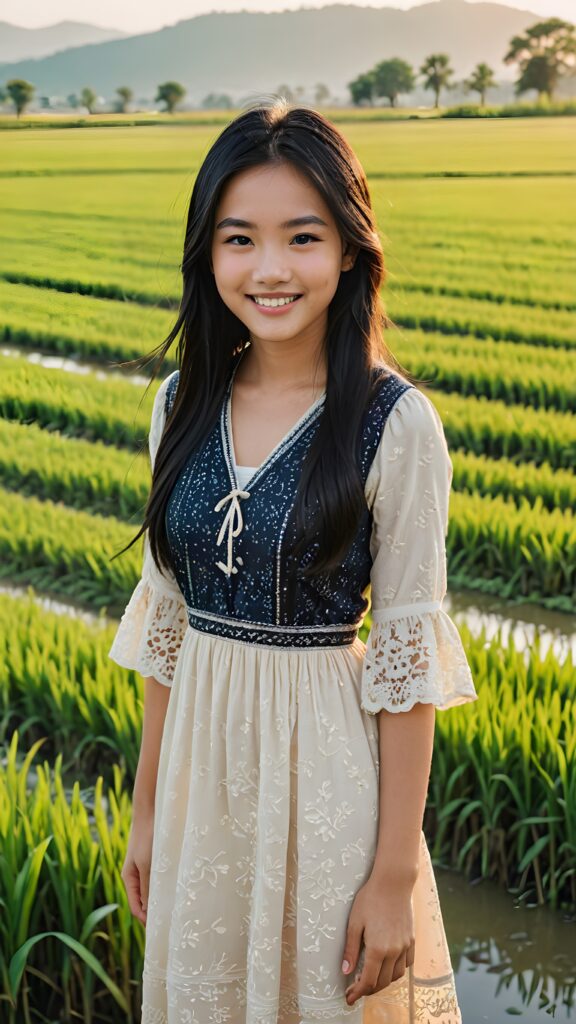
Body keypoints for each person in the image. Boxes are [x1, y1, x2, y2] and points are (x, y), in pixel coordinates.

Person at [108, 98, 478, 1024]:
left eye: (302, 237)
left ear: (350, 249)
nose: (270, 270)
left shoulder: (394, 425)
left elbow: (407, 667)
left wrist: (392, 877)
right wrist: (148, 809)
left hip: (326, 784)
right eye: (240, 240)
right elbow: (167, 629)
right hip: (203, 781)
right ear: (209, 254)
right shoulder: (180, 407)